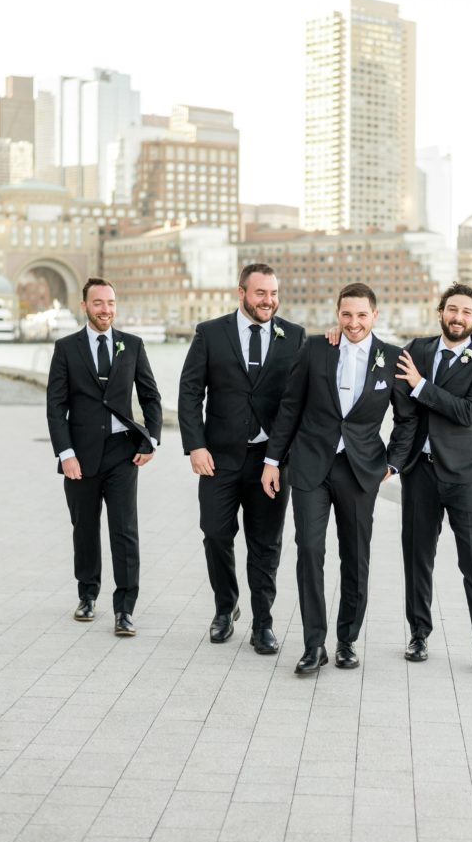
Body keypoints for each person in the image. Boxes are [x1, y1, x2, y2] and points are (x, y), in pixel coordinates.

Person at [261, 283, 417, 675]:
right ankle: (314, 644)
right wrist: (271, 460)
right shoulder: (315, 349)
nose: (354, 322)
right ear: (337, 314)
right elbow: (290, 407)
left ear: (375, 316)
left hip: (361, 471)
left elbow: (407, 420)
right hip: (311, 466)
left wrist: (393, 465)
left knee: (356, 556)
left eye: (362, 315)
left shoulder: (394, 358)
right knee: (310, 551)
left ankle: (347, 639)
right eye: (347, 315)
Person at [178, 263, 306, 653]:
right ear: (242, 293)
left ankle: (263, 622)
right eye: (260, 293)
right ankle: (225, 606)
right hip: (218, 458)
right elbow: (189, 392)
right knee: (216, 534)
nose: (268, 301)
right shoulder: (210, 333)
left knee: (266, 544)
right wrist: (195, 445)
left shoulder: (296, 337)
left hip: (270, 462)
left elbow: (300, 397)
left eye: (273, 293)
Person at [396, 283, 472, 677]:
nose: (458, 317)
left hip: (467, 478)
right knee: (417, 557)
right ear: (440, 312)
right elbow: (399, 404)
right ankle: (418, 634)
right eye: (452, 309)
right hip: (420, 473)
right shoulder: (418, 350)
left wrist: (421, 386)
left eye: (466, 312)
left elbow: (468, 413)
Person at [46, 277, 162, 636]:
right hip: (79, 457)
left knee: (125, 531)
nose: (106, 310)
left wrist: (151, 441)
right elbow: (55, 406)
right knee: (84, 528)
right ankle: (87, 594)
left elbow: (151, 397)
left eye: (111, 303)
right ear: (85, 306)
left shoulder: (133, 345)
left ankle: (124, 608)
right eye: (98, 303)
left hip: (122, 454)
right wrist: (66, 454)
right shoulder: (66, 348)